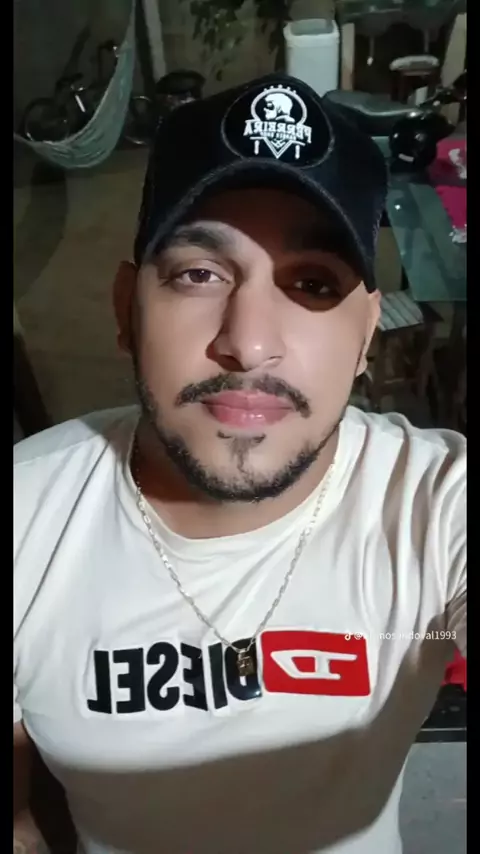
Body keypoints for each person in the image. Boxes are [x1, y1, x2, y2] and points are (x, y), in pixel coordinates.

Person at [14, 73, 466, 854]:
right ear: (126, 308)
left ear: (366, 335)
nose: (249, 344)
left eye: (313, 283)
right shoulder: (26, 518)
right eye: (200, 274)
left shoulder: (431, 505)